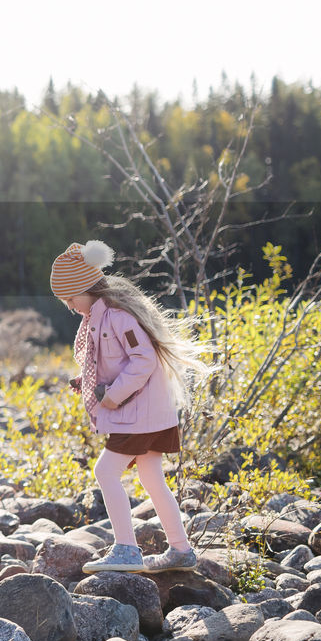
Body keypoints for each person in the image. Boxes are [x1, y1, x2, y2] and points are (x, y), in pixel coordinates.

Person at [50, 240, 208, 574]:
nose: (69, 305)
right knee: (152, 477)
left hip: (138, 414)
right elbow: (115, 362)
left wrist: (111, 396)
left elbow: (143, 359)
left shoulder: (117, 316)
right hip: (149, 412)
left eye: (70, 297)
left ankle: (126, 549)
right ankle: (181, 550)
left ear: (84, 287)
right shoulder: (102, 314)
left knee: (105, 472)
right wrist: (90, 381)